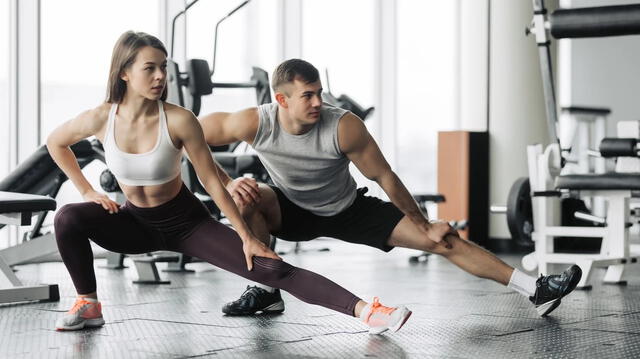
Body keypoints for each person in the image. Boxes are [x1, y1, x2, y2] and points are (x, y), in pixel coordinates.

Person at [47, 32, 411, 335]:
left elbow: (211, 180)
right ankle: (89, 304)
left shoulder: (179, 120)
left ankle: (368, 312)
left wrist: (248, 237)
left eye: (163, 67)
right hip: (134, 223)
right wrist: (87, 190)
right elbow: (56, 142)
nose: (161, 76)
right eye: (150, 68)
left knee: (270, 267)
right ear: (124, 72)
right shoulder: (100, 117)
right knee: (68, 217)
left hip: (186, 225)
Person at [199, 58, 582, 318]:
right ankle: (266, 291)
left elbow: (385, 178)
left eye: (319, 92)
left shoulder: (343, 126)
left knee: (441, 241)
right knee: (247, 197)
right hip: (289, 207)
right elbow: (186, 134)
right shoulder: (253, 122)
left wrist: (424, 222)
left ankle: (536, 289)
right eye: (308, 96)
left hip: (349, 209)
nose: (319, 101)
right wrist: (230, 181)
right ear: (281, 100)